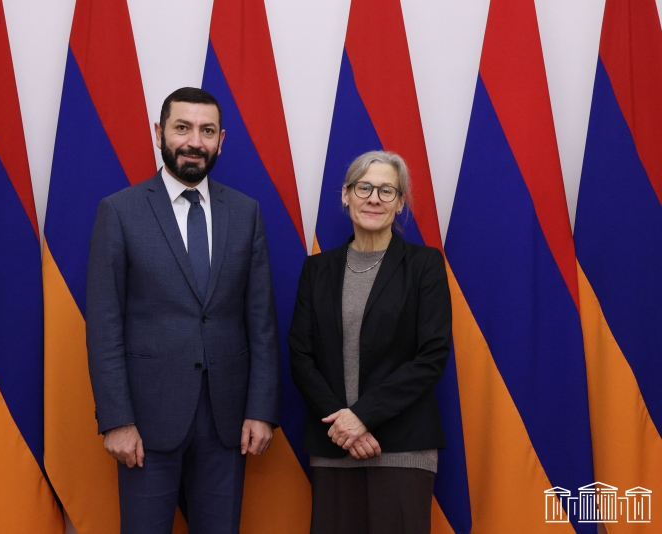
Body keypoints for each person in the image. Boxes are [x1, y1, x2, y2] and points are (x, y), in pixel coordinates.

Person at [86, 87, 280, 534]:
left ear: (221, 140)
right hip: (146, 421)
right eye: (182, 128)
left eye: (207, 131)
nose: (194, 141)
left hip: (228, 421)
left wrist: (261, 408)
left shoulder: (246, 213)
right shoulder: (119, 211)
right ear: (159, 133)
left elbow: (261, 322)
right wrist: (117, 420)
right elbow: (104, 326)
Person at [289, 150, 451, 534]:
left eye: (386, 190)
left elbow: (431, 356)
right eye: (364, 188)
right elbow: (300, 354)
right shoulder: (316, 269)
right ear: (346, 195)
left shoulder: (424, 265)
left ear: (400, 203)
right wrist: (342, 421)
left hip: (402, 446)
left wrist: (362, 416)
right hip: (334, 443)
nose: (374, 199)